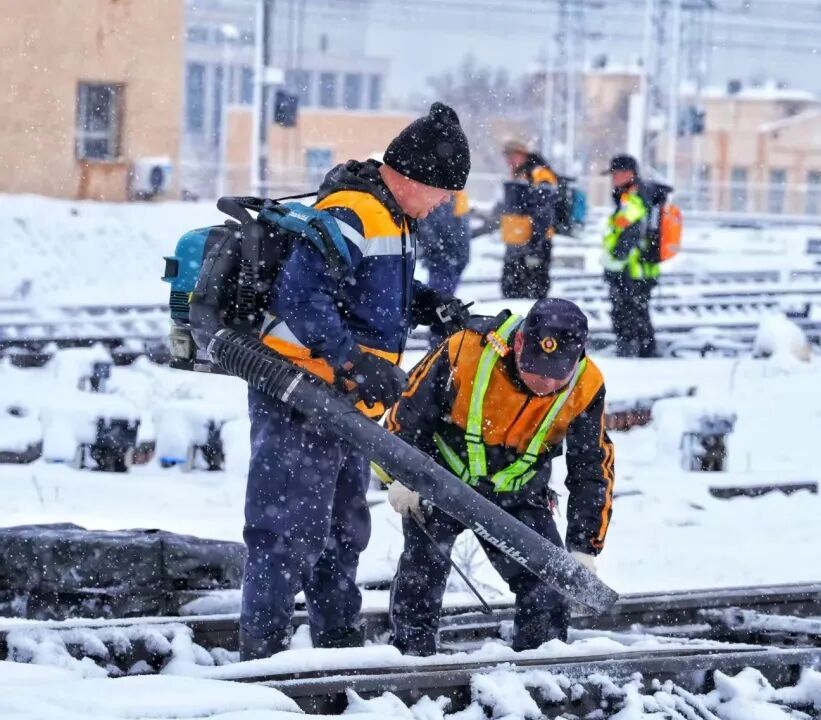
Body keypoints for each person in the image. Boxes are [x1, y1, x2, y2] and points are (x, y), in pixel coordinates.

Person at [241, 102, 472, 660]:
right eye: (443, 192)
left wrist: (432, 307)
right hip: (299, 392)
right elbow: (298, 294)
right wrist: (352, 360)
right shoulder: (354, 211)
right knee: (284, 534)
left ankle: (337, 645)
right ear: (415, 176)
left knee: (342, 533)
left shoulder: (393, 219)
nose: (444, 204)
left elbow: (370, 296)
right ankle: (261, 657)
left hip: (343, 404)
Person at [384, 298, 616, 656]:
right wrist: (402, 476)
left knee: (547, 586)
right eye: (537, 368)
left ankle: (539, 670)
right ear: (519, 343)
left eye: (557, 374)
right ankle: (412, 662)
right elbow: (408, 410)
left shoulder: (587, 384)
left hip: (519, 493)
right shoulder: (467, 348)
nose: (544, 381)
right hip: (442, 481)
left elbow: (592, 468)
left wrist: (585, 546)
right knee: (422, 575)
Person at [601, 154, 658, 358]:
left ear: (629, 174)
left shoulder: (634, 199)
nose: (613, 179)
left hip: (632, 270)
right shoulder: (632, 197)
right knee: (636, 312)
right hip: (635, 269)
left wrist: (617, 255)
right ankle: (643, 351)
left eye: (616, 174)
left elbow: (631, 231)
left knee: (628, 313)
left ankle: (634, 352)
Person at [499, 140, 558, 299]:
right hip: (516, 242)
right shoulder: (520, 174)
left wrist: (535, 245)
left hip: (534, 243)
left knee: (532, 292)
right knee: (512, 291)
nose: (509, 161)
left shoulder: (539, 174)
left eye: (512, 156)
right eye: (507, 157)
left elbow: (543, 212)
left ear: (523, 155)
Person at [416, 190, 471, 347]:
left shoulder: (455, 195)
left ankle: (441, 341)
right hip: (443, 259)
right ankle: (439, 342)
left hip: (454, 258)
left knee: (444, 303)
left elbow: (461, 227)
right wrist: (436, 250)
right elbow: (426, 226)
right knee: (440, 305)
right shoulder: (438, 196)